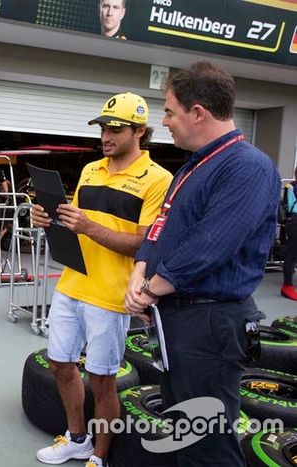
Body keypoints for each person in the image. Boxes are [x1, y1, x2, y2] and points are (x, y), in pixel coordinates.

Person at [124, 61, 282, 466]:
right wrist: (141, 268)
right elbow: (160, 228)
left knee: (207, 443)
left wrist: (149, 290)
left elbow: (212, 244)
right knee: (184, 430)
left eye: (170, 112)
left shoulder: (247, 166)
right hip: (177, 318)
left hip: (210, 325)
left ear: (198, 113)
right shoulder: (194, 165)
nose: (165, 121)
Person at [32, 93, 172, 467]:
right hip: (71, 284)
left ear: (140, 131)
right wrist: (48, 218)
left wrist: (90, 227)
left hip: (111, 296)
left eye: (115, 129)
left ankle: (100, 454)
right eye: (103, 128)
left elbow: (146, 241)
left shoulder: (158, 179)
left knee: (102, 379)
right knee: (60, 364)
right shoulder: (91, 169)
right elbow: (74, 220)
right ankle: (77, 438)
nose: (105, 136)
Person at [281, 167, 297, 301]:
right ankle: (287, 286)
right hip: (295, 221)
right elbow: (291, 206)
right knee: (292, 254)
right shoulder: (291, 188)